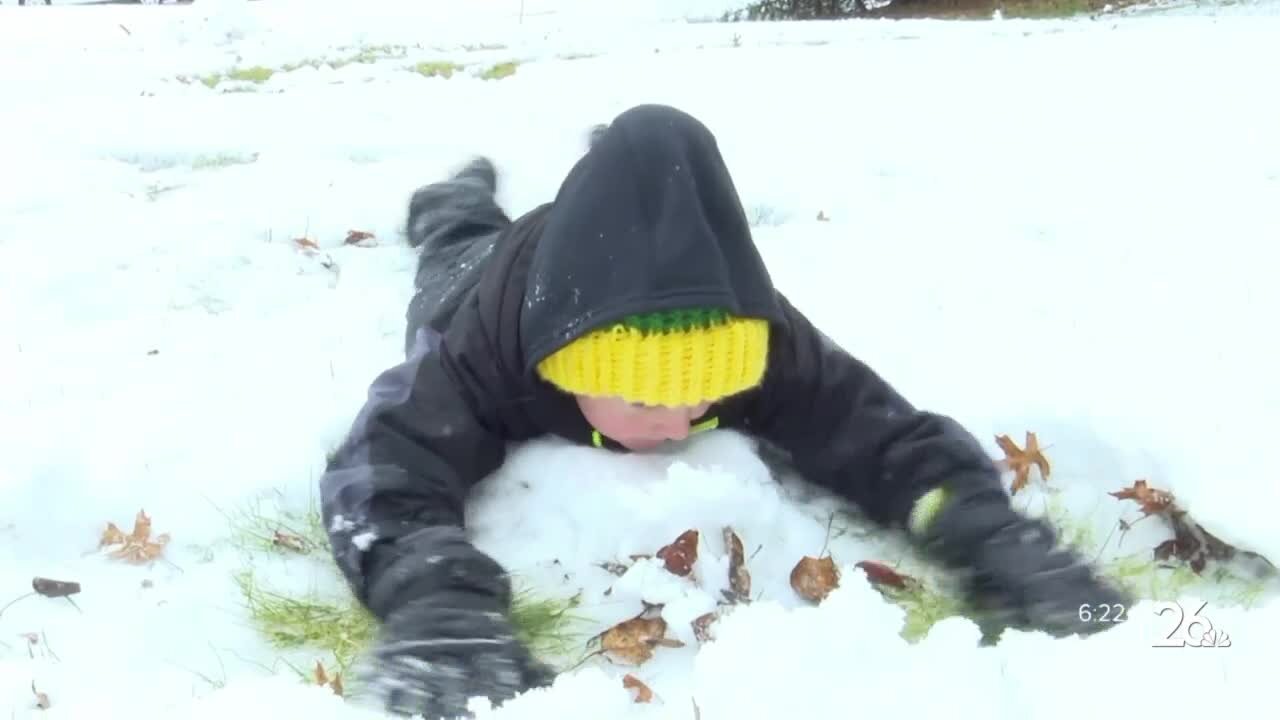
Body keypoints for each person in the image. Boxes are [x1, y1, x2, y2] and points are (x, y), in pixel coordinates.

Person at [319, 104, 1128, 719]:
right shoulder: (479, 355)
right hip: (486, 272)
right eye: (643, 398)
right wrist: (435, 596)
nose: (677, 425)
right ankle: (451, 198)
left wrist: (987, 532)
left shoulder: (752, 333)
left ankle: (616, 179)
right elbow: (387, 463)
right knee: (461, 236)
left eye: (702, 396)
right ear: (564, 373)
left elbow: (880, 435)